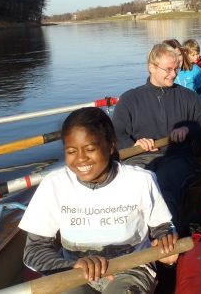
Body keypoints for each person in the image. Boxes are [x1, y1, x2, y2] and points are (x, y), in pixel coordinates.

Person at [19, 107, 178, 294]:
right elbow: (34, 251)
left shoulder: (141, 180)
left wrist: (165, 241)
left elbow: (162, 227)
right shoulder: (54, 184)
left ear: (111, 146)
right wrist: (73, 265)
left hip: (131, 269)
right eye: (71, 151)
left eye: (90, 149)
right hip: (74, 272)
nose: (80, 159)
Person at [112, 43, 201, 226]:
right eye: (168, 69)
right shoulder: (130, 99)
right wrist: (134, 144)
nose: (174, 74)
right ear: (151, 67)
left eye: (176, 69)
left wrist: (187, 130)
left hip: (176, 157)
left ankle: (167, 236)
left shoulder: (188, 97)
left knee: (163, 187)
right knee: (134, 189)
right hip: (138, 157)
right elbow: (116, 133)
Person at [164, 39, 201, 104]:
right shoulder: (160, 74)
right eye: (173, 55)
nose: (177, 59)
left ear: (183, 54)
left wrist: (196, 102)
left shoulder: (195, 70)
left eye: (179, 55)